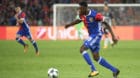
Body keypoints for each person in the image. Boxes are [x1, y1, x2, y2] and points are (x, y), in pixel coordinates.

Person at [65, 2, 120, 78]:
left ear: (85, 8)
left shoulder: (95, 15)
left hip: (97, 35)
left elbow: (106, 23)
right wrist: (69, 25)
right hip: (92, 35)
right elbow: (78, 20)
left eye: (81, 8)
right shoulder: (82, 14)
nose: (79, 10)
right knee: (96, 57)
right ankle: (114, 70)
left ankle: (93, 70)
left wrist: (113, 36)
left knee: (82, 49)